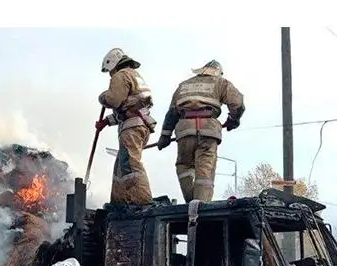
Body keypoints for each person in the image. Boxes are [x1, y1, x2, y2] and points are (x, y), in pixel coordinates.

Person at [156, 60, 245, 202]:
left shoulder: (183, 85)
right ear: (217, 73)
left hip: (185, 131)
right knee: (205, 173)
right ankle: (200, 208)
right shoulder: (221, 83)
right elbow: (238, 104)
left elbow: (172, 113)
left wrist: (164, 137)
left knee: (184, 166)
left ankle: (191, 202)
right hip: (208, 131)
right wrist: (233, 120)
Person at [95, 48, 157, 206]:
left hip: (132, 127)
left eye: (110, 71)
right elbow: (127, 107)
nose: (110, 75)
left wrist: (102, 97)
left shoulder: (121, 75)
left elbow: (114, 100)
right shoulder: (134, 75)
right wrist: (106, 121)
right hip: (139, 124)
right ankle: (119, 202)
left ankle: (143, 201)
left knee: (130, 164)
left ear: (114, 64)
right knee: (121, 166)